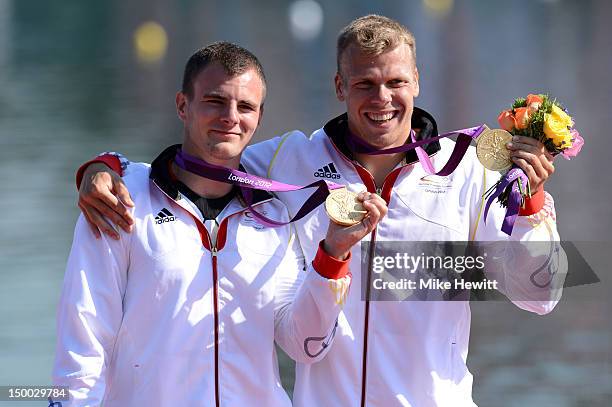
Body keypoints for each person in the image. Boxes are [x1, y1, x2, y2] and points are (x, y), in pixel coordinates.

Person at [74, 15, 566, 407]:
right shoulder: (291, 159)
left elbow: (539, 296)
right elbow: (204, 157)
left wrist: (533, 204)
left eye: (395, 81)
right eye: (363, 84)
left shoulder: (467, 168)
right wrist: (104, 166)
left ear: (417, 80)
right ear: (338, 86)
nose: (382, 99)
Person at [53, 42, 389, 406]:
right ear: (183, 105)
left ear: (259, 116)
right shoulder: (121, 200)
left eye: (245, 106)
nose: (231, 117)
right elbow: (84, 335)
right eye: (215, 101)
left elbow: (304, 344)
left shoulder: (274, 216)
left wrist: (334, 255)